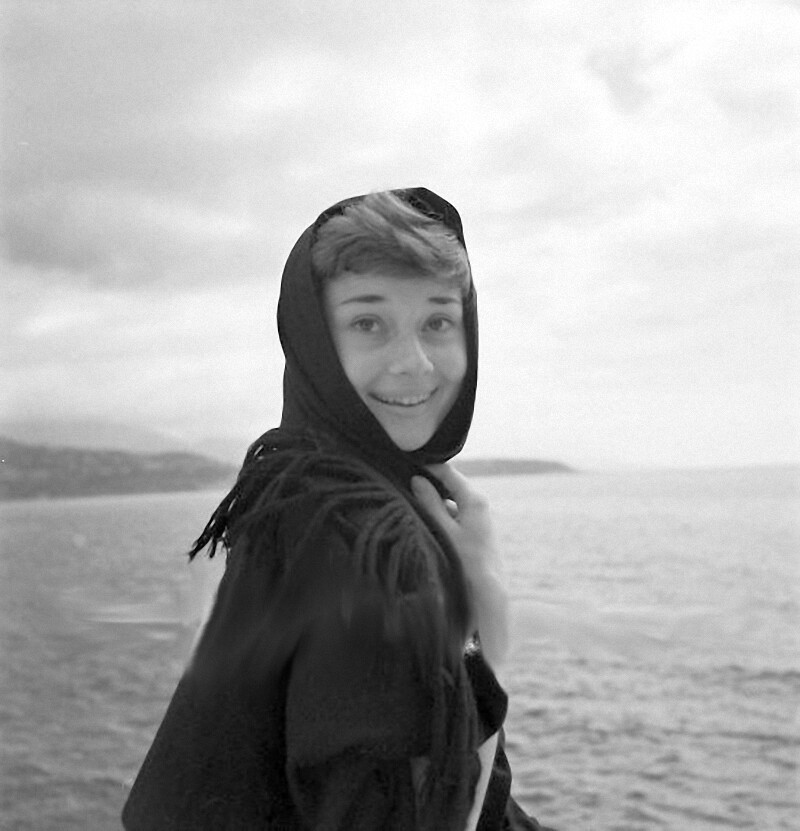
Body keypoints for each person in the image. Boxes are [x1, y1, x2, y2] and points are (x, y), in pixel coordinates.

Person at [122, 187, 556, 830]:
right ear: (315, 342)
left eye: (438, 322)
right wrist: (485, 607)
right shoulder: (373, 546)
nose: (414, 365)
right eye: (368, 323)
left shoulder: (298, 486)